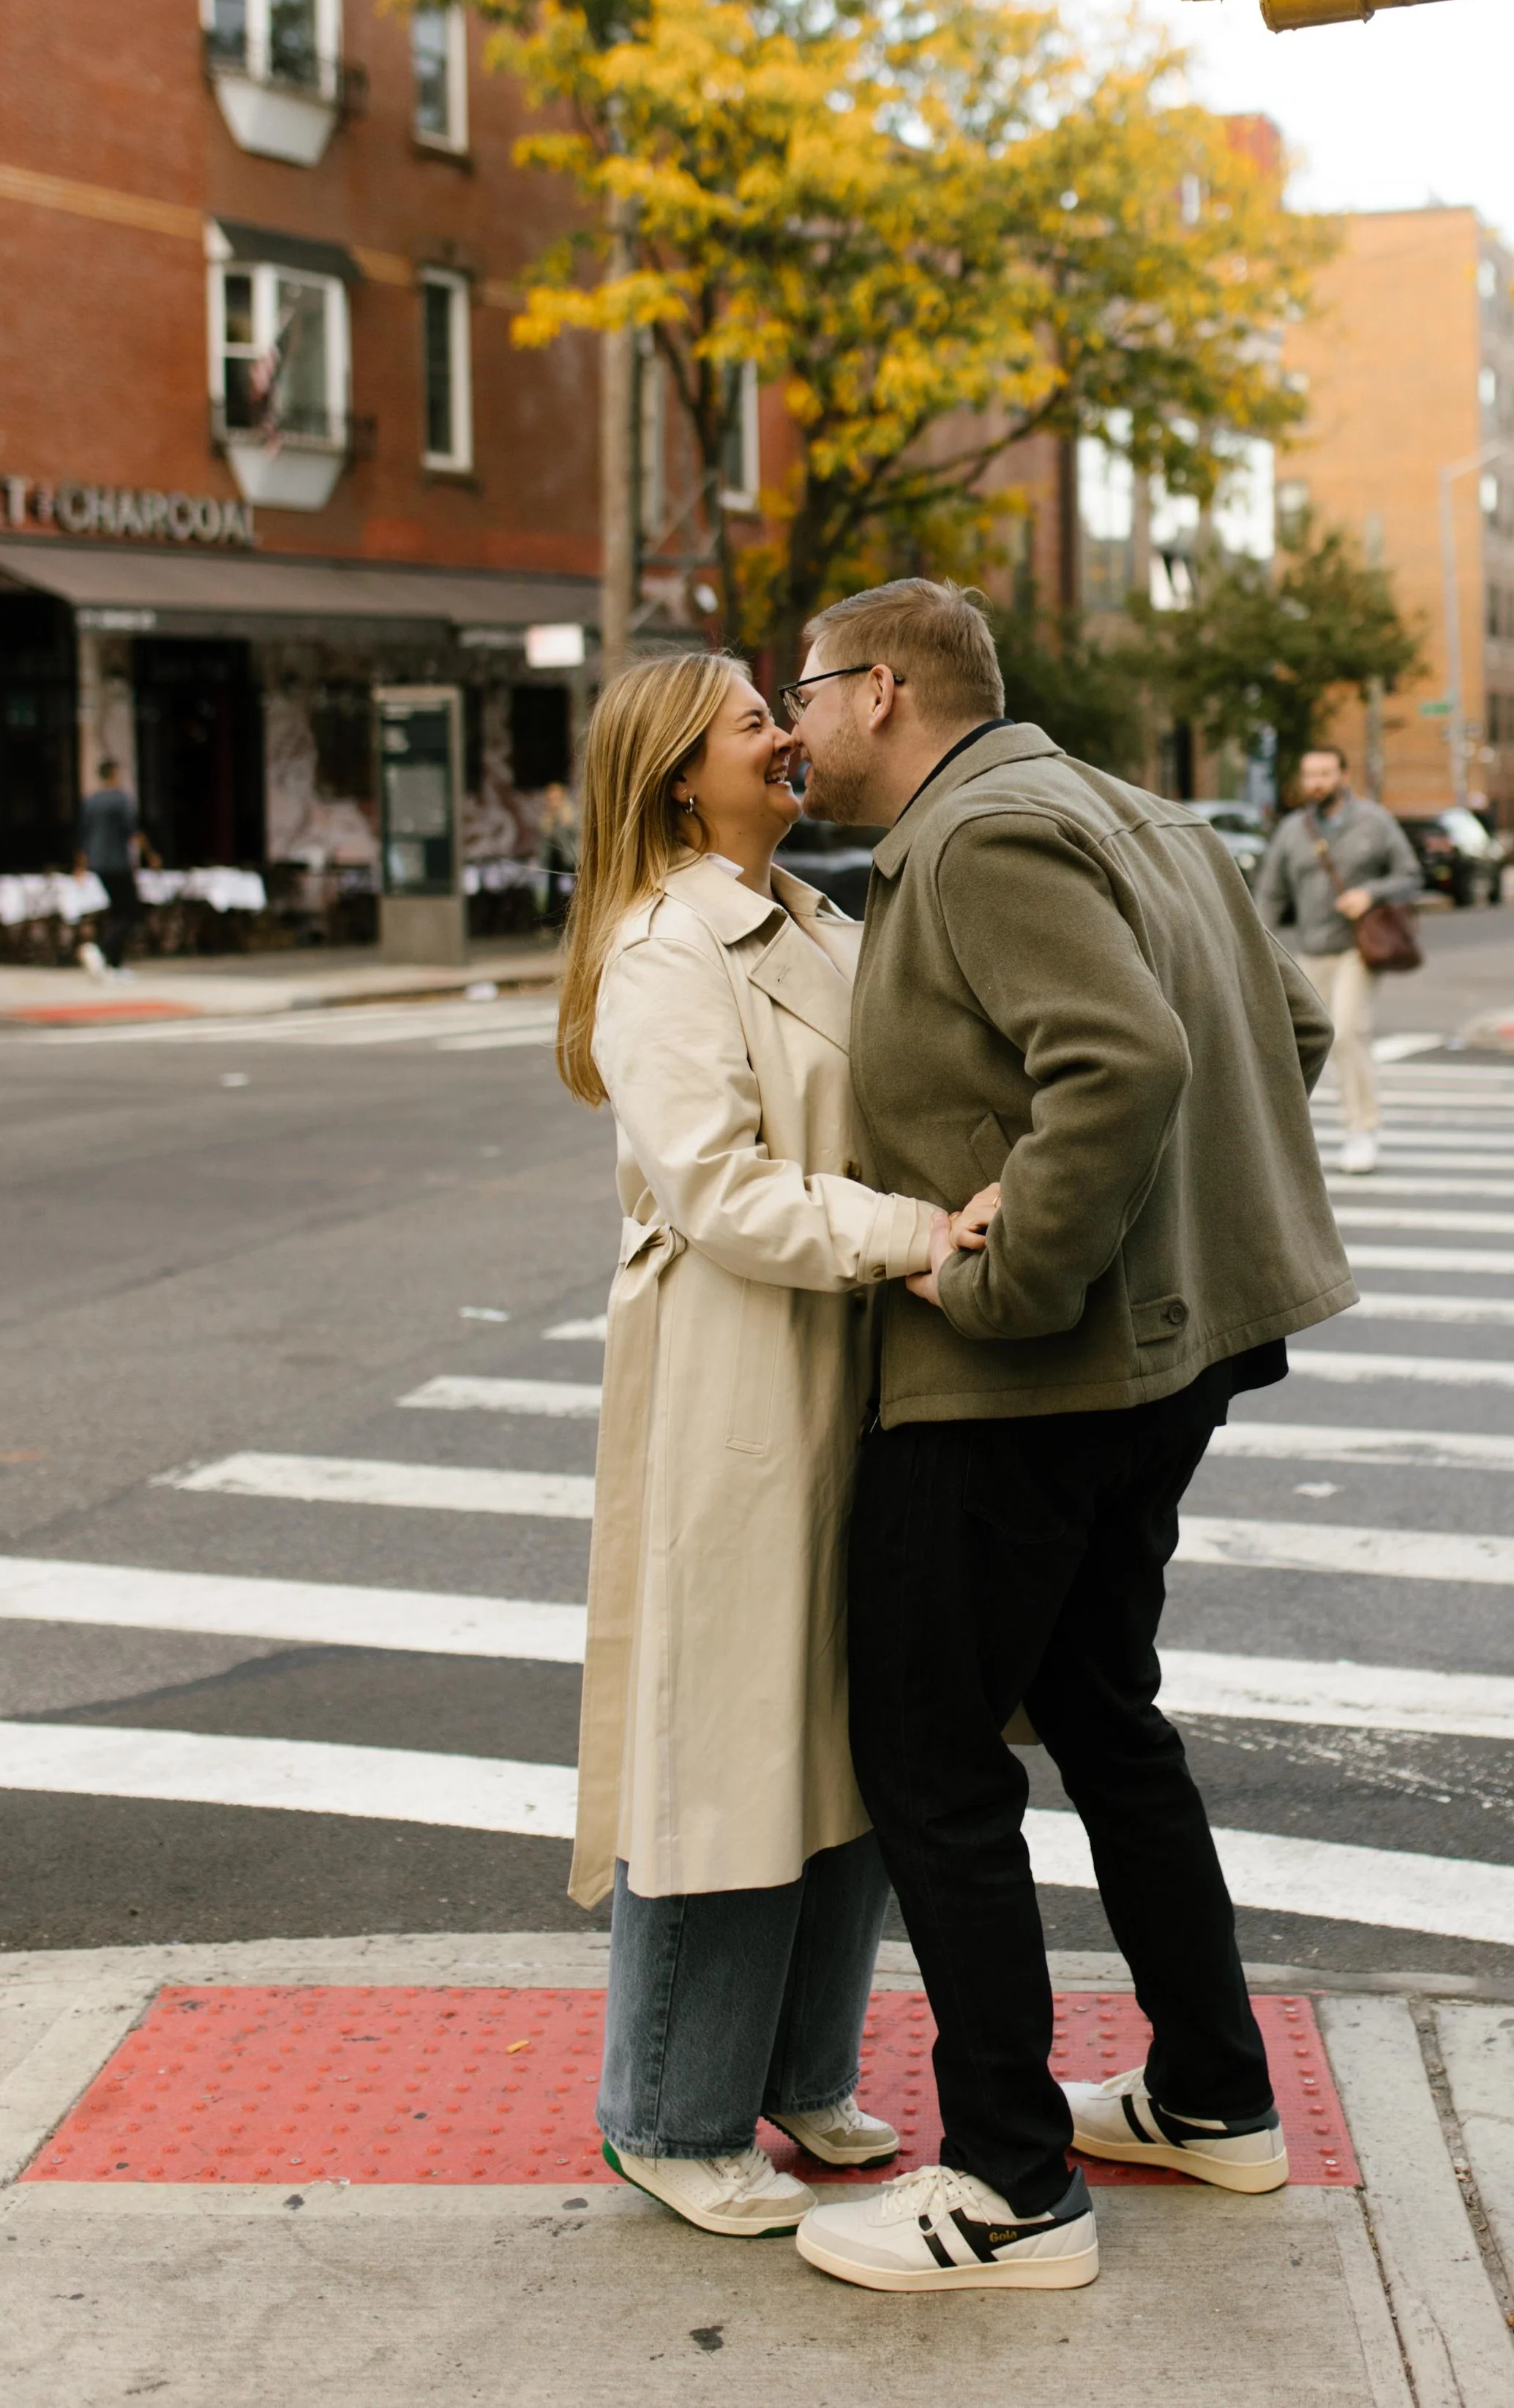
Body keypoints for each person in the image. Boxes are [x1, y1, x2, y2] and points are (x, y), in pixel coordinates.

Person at [782, 579, 1355, 2297]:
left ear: (880, 690)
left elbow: (1122, 1056)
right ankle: (1209, 2090)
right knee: (1103, 1710)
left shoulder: (976, 840)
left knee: (932, 1752)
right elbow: (1288, 1032)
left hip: (1028, 1372)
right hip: (1165, 1362)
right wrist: (1156, 1244)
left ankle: (1011, 2185)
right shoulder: (1143, 813)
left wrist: (1014, 1272)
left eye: (802, 690)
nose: (792, 721)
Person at [555, 650, 997, 2243]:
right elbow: (715, 1189)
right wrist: (915, 1231)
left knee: (846, 1730)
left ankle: (803, 2071)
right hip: (741, 1375)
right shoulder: (667, 947)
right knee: (725, 1744)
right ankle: (671, 2114)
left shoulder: (812, 916)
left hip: (857, 1359)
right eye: (754, 721)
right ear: (682, 771)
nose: (786, 735)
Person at [1251, 746, 1422, 1177]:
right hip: (1310, 952)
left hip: (1357, 950)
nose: (1317, 783)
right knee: (1297, 1046)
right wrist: (1253, 942)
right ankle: (1287, 1143)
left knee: (1347, 1033)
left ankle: (1361, 1129)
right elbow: (1270, 896)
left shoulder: (1375, 822)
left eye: (1326, 773)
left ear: (1344, 776)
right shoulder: (1292, 831)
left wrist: (1371, 894)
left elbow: (1410, 875)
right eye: (1310, 775)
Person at [71, 758, 157, 974]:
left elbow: (83, 836)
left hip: (98, 863)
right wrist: (151, 855)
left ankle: (114, 964)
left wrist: (80, 867)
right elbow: (134, 833)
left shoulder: (91, 801)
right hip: (117, 862)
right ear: (114, 774)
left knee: (118, 912)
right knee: (131, 912)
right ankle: (101, 950)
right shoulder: (121, 800)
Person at [534, 778, 577, 927]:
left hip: (570, 858)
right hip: (554, 860)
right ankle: (552, 921)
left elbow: (571, 838)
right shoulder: (547, 818)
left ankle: (575, 918)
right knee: (552, 892)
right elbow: (544, 843)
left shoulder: (569, 814)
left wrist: (559, 818)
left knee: (575, 890)